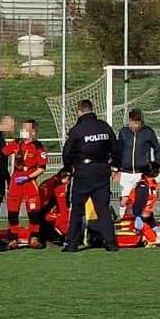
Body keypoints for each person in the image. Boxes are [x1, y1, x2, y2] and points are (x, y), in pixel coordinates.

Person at [61, 99, 120, 253]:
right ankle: (111, 243)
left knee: (77, 209)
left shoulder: (77, 130)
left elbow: (67, 153)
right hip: (101, 171)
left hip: (83, 173)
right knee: (103, 210)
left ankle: (72, 244)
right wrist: (115, 166)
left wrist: (68, 169)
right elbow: (116, 148)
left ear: (79, 111)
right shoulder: (104, 127)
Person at [2, 120, 50, 246]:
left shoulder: (39, 147)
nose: (24, 131)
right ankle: (13, 239)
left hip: (29, 181)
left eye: (27, 129)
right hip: (16, 180)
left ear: (33, 132)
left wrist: (28, 177)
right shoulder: (16, 143)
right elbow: (2, 154)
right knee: (12, 210)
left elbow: (42, 168)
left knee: (33, 211)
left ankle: (34, 238)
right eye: (23, 128)